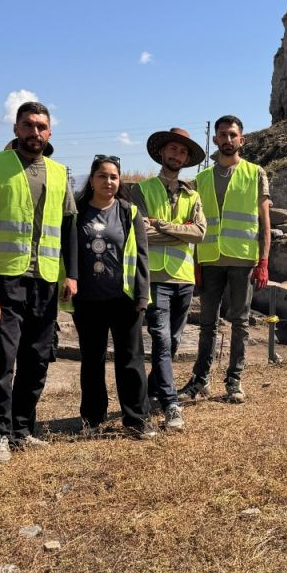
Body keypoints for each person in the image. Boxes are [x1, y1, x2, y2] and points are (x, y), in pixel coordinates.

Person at [0, 101, 77, 456]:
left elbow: (68, 228)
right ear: (16, 128)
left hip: (45, 280)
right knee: (1, 358)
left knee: (37, 358)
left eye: (41, 126)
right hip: (4, 279)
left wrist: (72, 274)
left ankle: (22, 428)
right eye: (28, 125)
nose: (35, 132)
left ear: (50, 132)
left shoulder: (60, 172)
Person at [180, 115, 271, 404]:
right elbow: (192, 224)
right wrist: (194, 263)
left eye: (233, 134)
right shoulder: (201, 179)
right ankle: (200, 379)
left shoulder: (256, 173)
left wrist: (264, 261)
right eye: (223, 134)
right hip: (209, 260)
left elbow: (264, 221)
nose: (228, 139)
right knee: (207, 323)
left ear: (241, 140)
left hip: (243, 259)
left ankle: (234, 380)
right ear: (215, 140)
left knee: (240, 322)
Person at [66, 155, 152, 438]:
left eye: (114, 176)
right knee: (92, 360)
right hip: (87, 300)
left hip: (123, 299)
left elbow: (141, 256)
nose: (108, 181)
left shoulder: (129, 212)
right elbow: (68, 251)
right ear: (91, 180)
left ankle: (136, 419)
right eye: (102, 176)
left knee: (130, 360)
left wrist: (141, 296)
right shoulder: (76, 212)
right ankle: (92, 419)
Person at [129, 127, 205, 431]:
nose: (177, 155)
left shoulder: (193, 193)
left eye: (183, 152)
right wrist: (178, 232)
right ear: (162, 153)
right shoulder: (141, 190)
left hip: (184, 278)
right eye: (173, 149)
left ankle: (146, 395)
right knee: (161, 342)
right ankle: (171, 404)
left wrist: (160, 224)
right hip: (155, 279)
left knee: (171, 343)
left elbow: (199, 234)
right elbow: (140, 234)